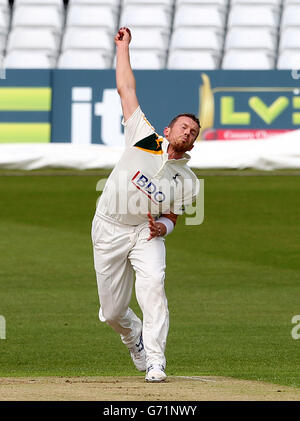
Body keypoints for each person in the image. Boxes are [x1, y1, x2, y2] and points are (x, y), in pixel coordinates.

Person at [91, 27, 201, 383]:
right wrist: (123, 48)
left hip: (145, 232)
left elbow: (172, 216)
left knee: (154, 286)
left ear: (193, 144)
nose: (188, 133)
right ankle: (131, 335)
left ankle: (156, 359)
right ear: (167, 131)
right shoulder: (143, 137)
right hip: (109, 225)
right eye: (183, 127)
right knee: (111, 312)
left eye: (194, 133)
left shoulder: (188, 180)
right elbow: (126, 88)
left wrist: (162, 227)